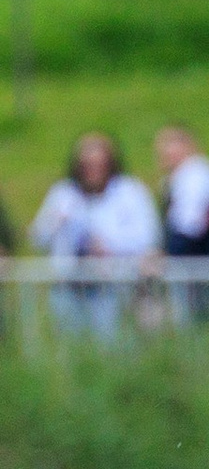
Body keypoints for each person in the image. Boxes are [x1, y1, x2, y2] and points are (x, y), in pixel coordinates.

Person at [29, 133, 164, 338]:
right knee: (69, 344)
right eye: (87, 166)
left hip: (112, 285)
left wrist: (109, 244)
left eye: (98, 165)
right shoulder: (64, 193)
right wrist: (55, 222)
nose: (92, 171)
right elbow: (37, 237)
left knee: (110, 345)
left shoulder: (130, 192)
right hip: (68, 286)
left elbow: (148, 236)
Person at [156, 123, 209, 327]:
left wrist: (167, 256)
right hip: (197, 269)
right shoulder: (187, 176)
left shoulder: (194, 175)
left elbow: (190, 226)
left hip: (194, 271)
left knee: (192, 328)